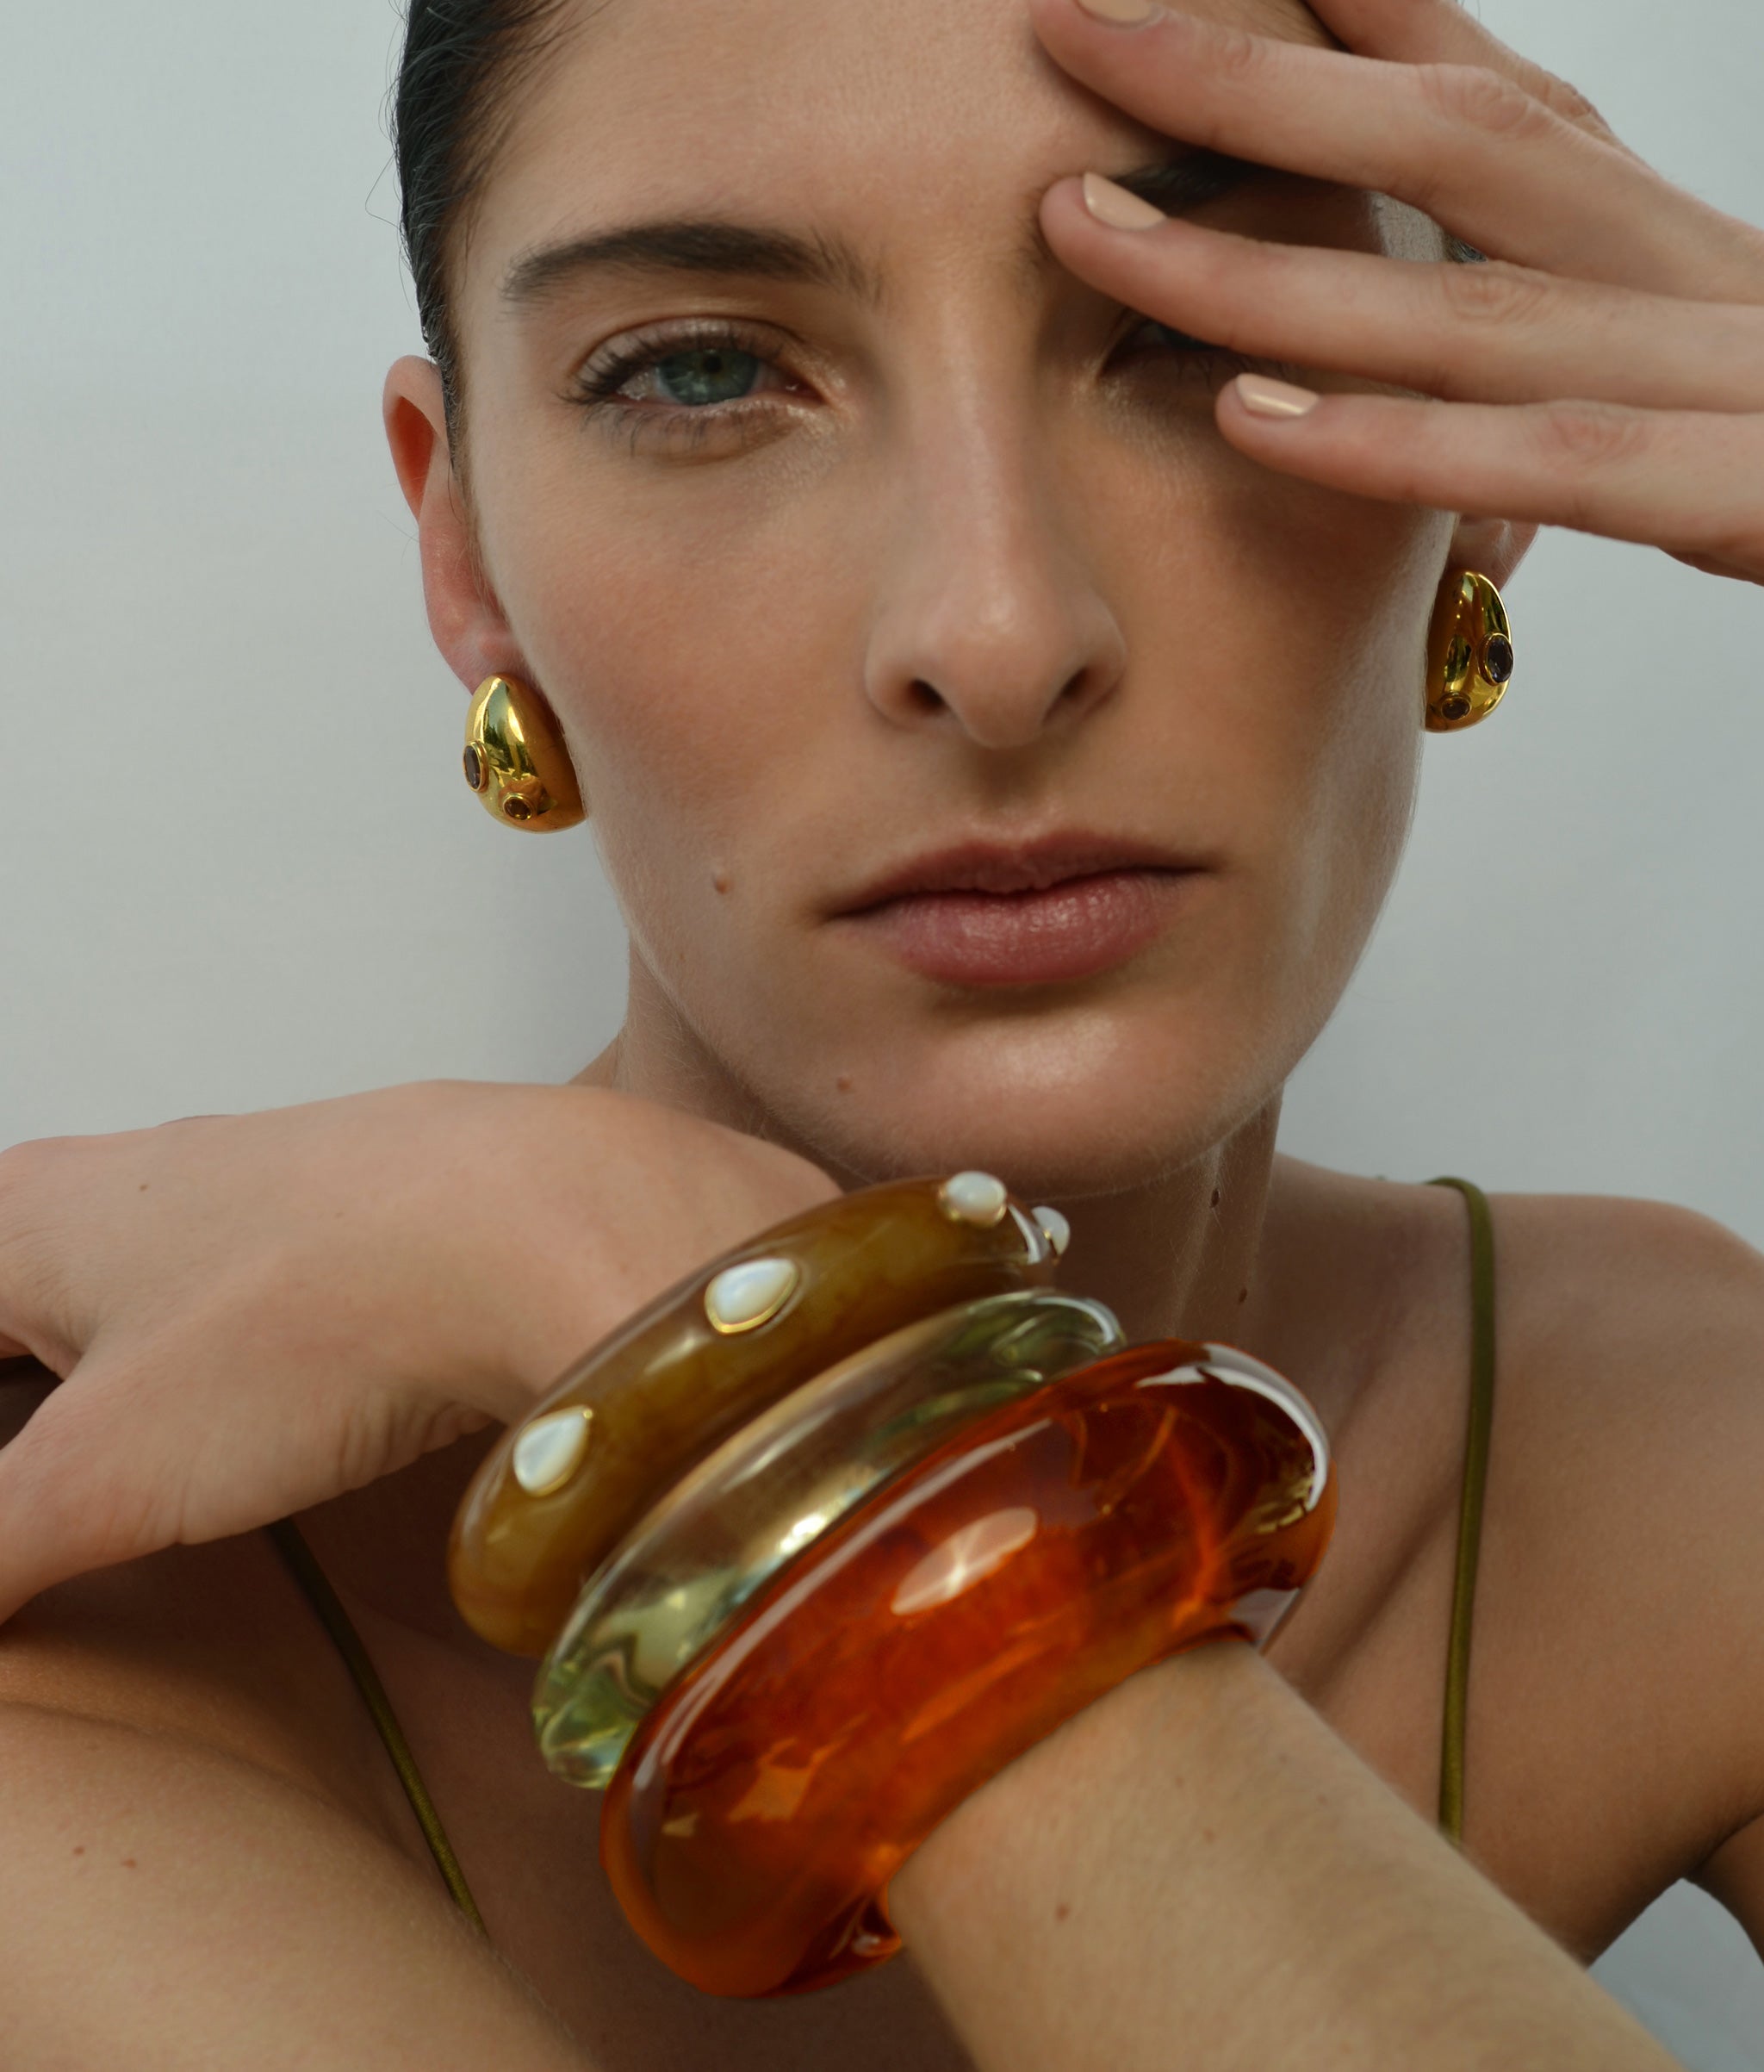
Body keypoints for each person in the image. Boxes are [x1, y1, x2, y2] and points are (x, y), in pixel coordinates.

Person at [2, 0, 1762, 2061]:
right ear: (463, 541)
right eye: (705, 372)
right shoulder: (101, 1652)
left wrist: (709, 1346)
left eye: (1200, 333)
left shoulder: (1674, 1447)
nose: (997, 639)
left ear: (1487, 439)